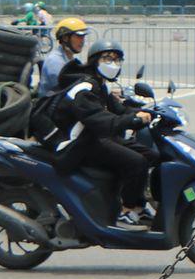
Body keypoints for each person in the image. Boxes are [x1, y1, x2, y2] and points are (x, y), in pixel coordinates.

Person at [39, 39, 156, 228]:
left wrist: (148, 113)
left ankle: (137, 205)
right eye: (107, 58)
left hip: (93, 138)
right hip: (77, 145)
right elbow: (100, 120)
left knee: (151, 155)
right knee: (137, 162)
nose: (113, 64)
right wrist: (131, 120)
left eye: (117, 60)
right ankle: (125, 212)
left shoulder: (101, 85)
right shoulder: (84, 89)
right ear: (95, 60)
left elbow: (119, 109)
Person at [35, 17, 90, 97]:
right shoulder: (55, 61)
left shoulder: (70, 59)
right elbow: (66, 88)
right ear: (65, 38)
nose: (82, 40)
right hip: (52, 105)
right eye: (78, 36)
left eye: (83, 37)